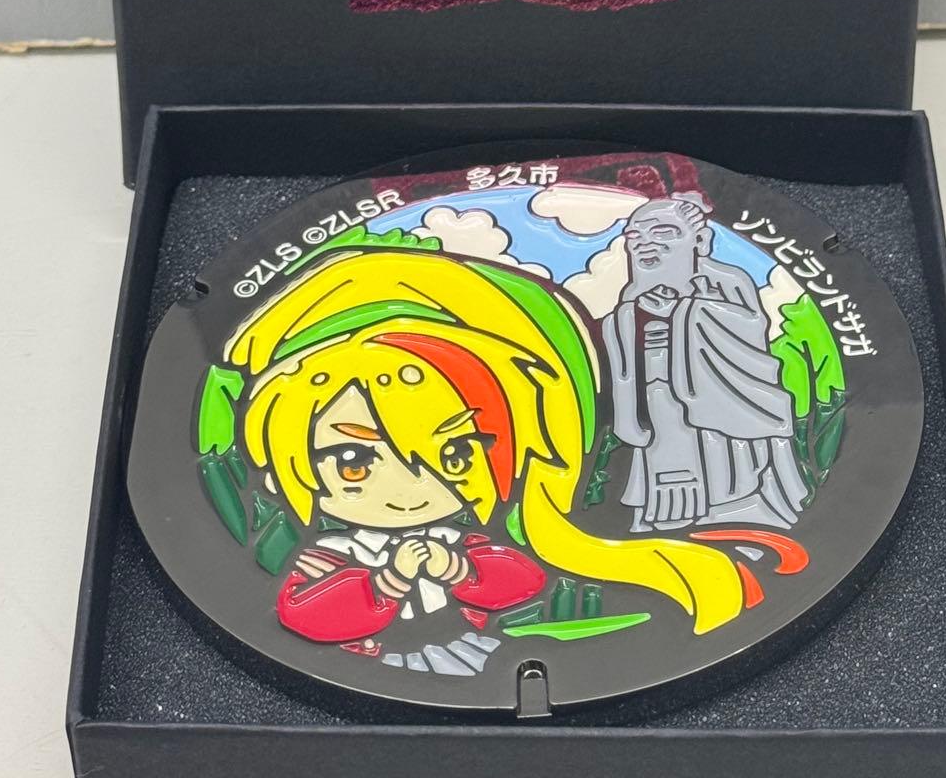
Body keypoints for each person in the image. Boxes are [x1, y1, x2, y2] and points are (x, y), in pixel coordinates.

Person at [226, 242, 747, 641]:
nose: (412, 488)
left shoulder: (458, 539)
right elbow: (305, 613)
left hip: (465, 649)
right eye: (354, 461)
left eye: (454, 455)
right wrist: (385, 582)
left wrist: (457, 568)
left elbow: (520, 580)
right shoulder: (332, 556)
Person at [602, 193, 808, 532]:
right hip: (654, 399)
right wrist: (633, 315)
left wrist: (682, 312)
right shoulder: (632, 294)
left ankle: (729, 514)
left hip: (714, 403)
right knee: (663, 465)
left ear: (700, 240)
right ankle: (662, 522)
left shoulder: (727, 281)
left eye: (662, 232)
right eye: (635, 236)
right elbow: (621, 337)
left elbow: (748, 333)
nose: (644, 244)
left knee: (721, 473)